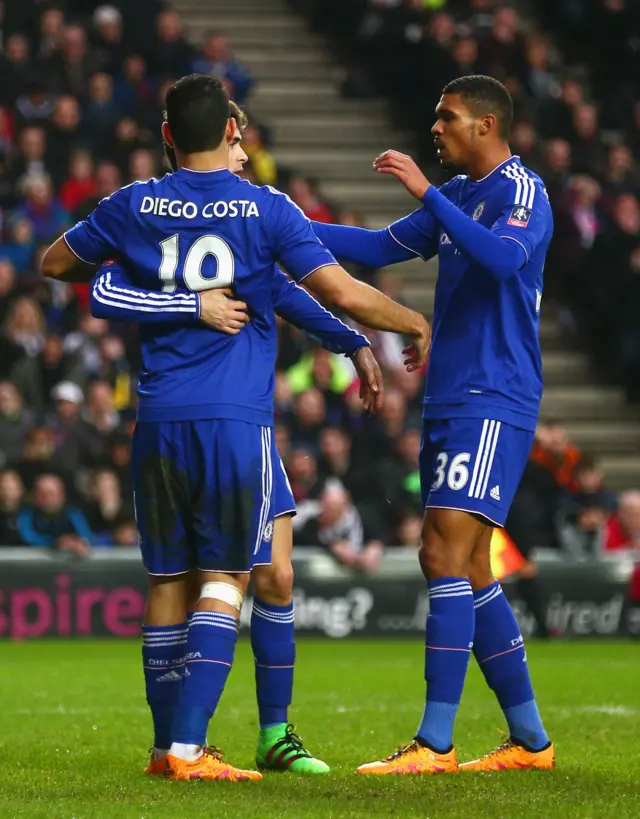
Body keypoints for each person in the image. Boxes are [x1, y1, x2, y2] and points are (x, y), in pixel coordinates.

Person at [41, 75, 430, 782]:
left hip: (157, 416)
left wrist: (342, 341)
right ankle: (189, 748)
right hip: (232, 419)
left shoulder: (132, 205)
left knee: (175, 578)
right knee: (229, 575)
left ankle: (174, 747)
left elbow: (64, 267)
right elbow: (338, 283)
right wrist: (410, 321)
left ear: (165, 137)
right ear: (231, 132)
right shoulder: (263, 209)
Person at [308, 75, 555, 774]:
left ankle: (435, 743)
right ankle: (531, 741)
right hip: (452, 394)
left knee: (446, 551)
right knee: (465, 563)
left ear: (485, 124)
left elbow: (505, 260)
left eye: (446, 117)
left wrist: (426, 191)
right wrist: (277, 222)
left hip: (493, 391)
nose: (435, 128)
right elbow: (376, 245)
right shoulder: (465, 197)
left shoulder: (519, 191)